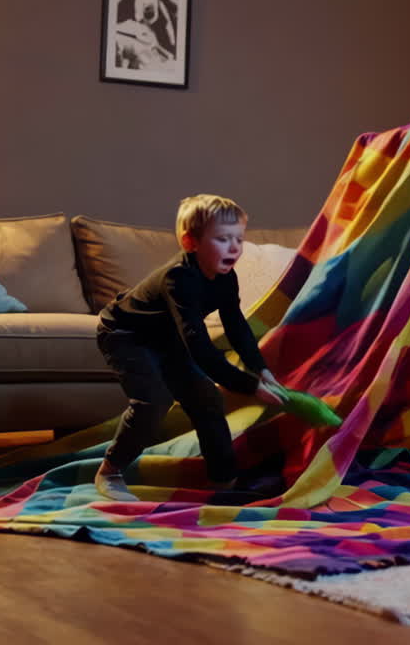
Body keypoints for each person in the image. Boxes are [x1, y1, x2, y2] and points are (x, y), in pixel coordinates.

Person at [93, 194, 283, 501]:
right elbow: (199, 347)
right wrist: (248, 386)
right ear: (190, 242)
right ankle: (110, 470)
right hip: (126, 334)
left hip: (167, 338)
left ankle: (224, 481)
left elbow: (236, 325)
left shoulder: (225, 277)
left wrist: (259, 367)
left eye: (239, 238)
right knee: (153, 399)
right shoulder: (179, 278)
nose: (234, 247)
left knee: (206, 398)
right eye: (223, 239)